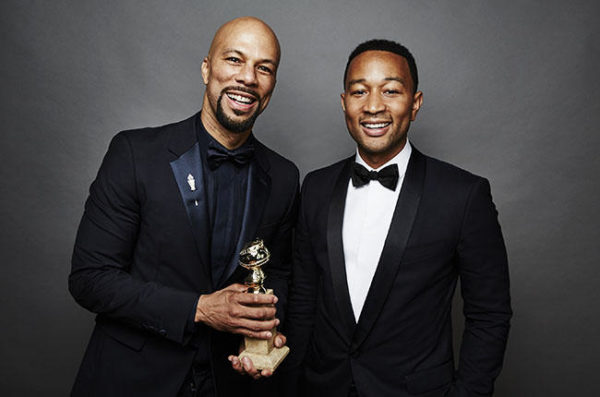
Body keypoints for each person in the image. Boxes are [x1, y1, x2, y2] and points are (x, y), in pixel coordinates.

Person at [69, 16, 298, 397]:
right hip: (130, 381)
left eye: (264, 68)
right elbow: (90, 279)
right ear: (207, 69)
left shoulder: (285, 177)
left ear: (271, 86)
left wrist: (261, 332)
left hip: (229, 383)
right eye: (234, 60)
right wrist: (200, 308)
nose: (248, 78)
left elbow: (280, 275)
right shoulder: (134, 154)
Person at [283, 39, 512, 396]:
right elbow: (303, 301)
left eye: (391, 91)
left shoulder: (463, 195)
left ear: (415, 103)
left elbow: (490, 314)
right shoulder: (315, 187)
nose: (374, 106)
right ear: (344, 103)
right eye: (359, 92)